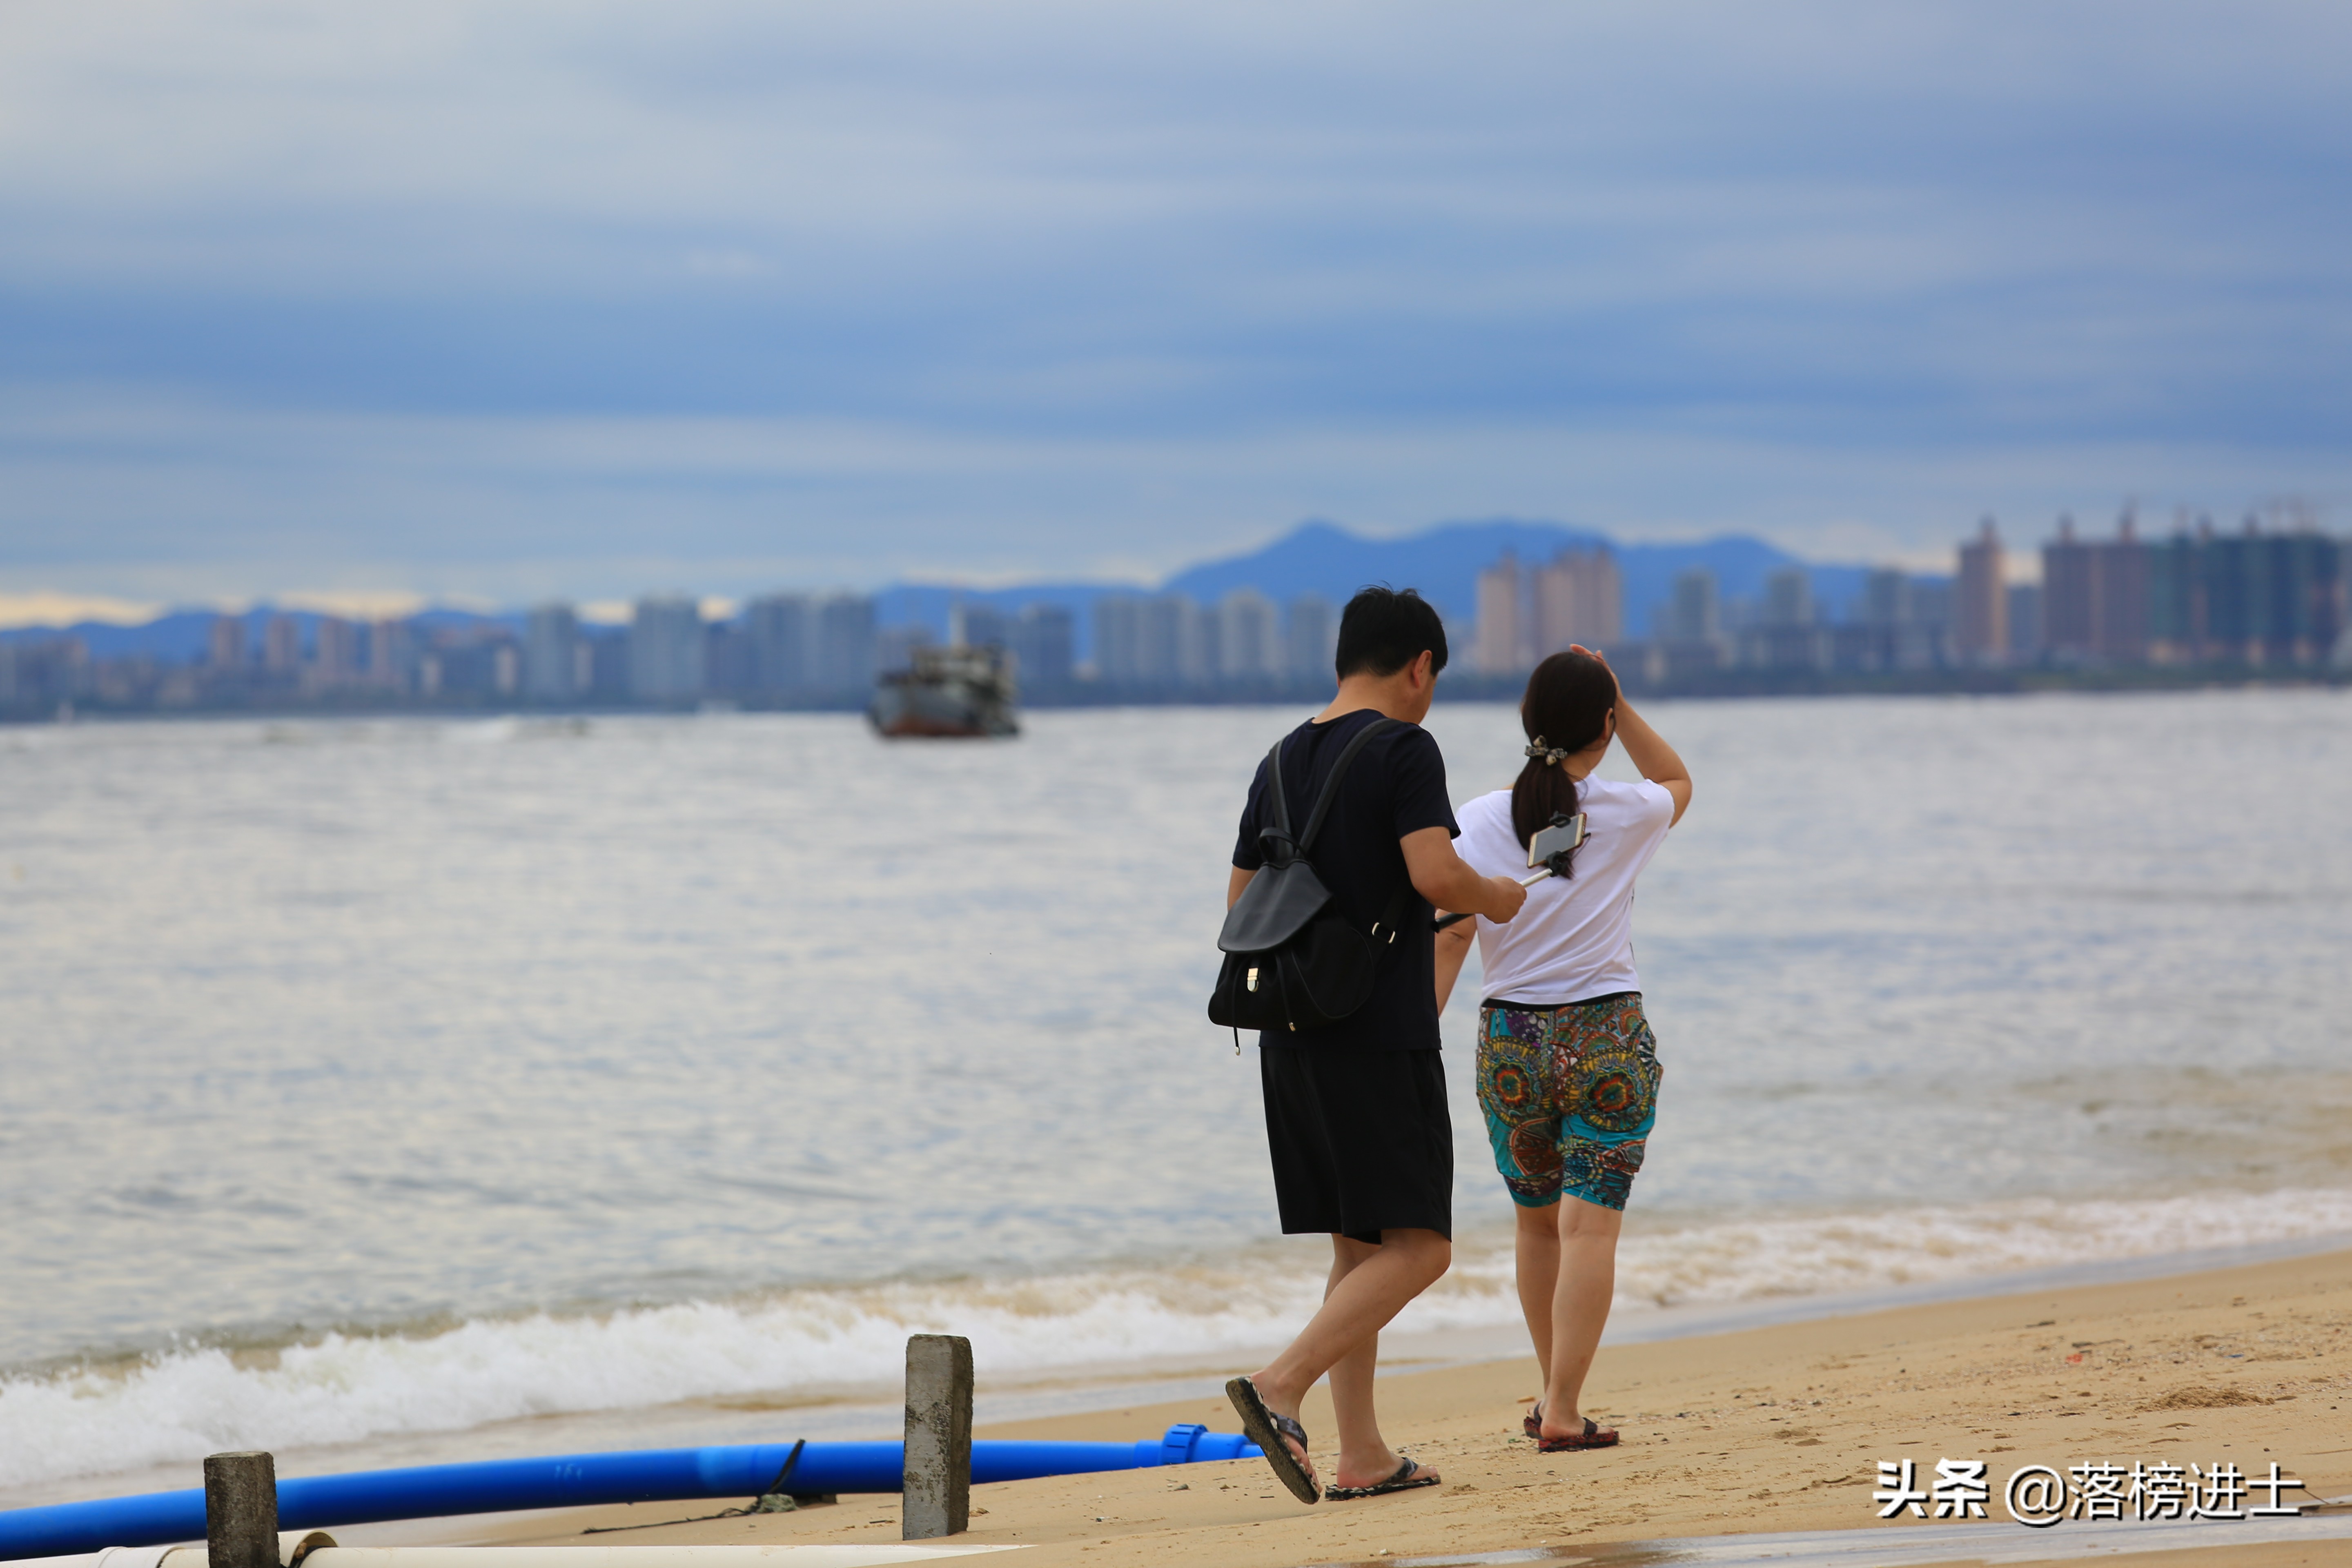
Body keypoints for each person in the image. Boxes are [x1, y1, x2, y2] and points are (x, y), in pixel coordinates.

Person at [1221, 586, 1530, 1505]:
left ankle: (1361, 1454)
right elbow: (1435, 872)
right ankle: (1280, 1387)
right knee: (1422, 1247)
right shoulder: (1405, 747)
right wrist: (1498, 896)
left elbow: (1241, 906)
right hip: (1377, 1034)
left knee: (1360, 1249)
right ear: (1420, 667)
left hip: (1289, 1031)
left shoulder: (1279, 759)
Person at [1433, 646, 1690, 1454]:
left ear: (1527, 721)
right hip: (1605, 1035)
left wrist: (1415, 1031)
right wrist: (1620, 698)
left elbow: (1455, 932)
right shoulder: (1629, 811)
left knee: (1537, 1227)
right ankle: (1564, 1408)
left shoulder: (1477, 819)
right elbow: (1676, 779)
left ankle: (1553, 1396)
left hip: (1511, 1043)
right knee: (1590, 1233)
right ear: (1604, 726)